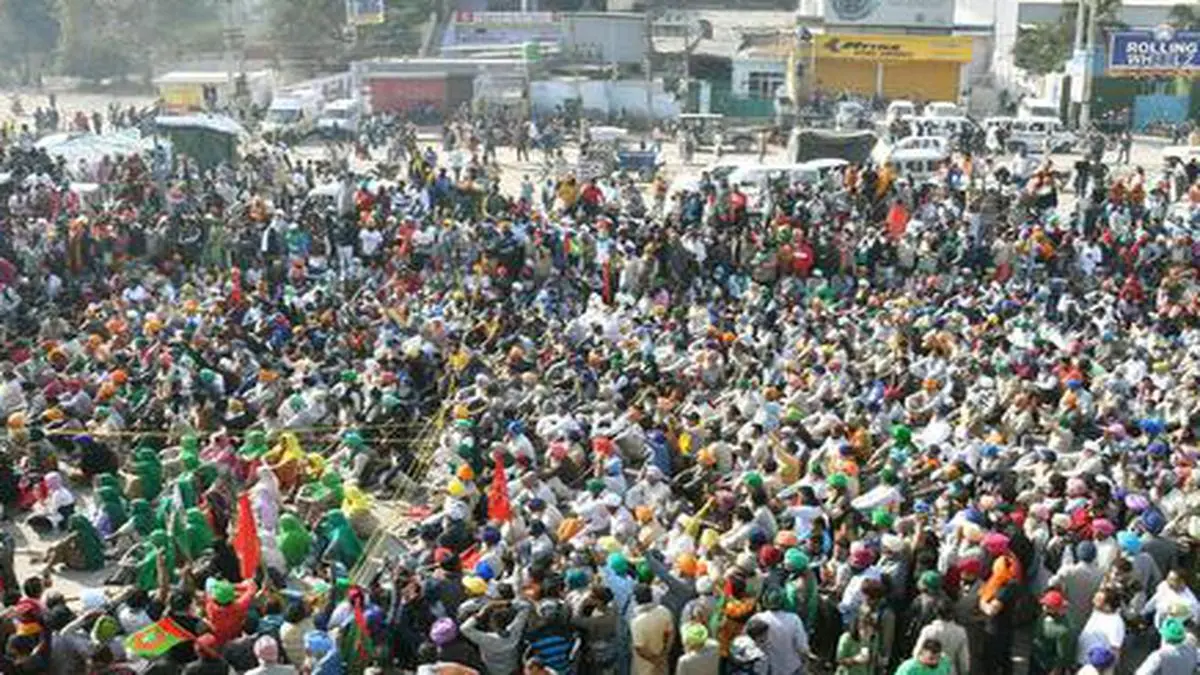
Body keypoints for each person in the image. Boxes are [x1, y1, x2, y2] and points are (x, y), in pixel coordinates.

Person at [629, 583, 673, 675]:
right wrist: (664, 655)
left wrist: (655, 661)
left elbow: (639, 648)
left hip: (645, 668)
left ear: (636, 599)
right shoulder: (664, 611)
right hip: (662, 664)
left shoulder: (636, 621)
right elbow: (670, 634)